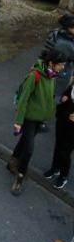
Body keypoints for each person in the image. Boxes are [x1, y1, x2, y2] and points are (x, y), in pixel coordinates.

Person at [10, 49, 66, 195]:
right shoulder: (34, 76)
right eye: (61, 64)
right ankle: (19, 178)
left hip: (39, 118)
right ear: (52, 63)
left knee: (25, 142)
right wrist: (18, 121)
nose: (63, 67)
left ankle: (12, 162)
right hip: (29, 118)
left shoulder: (52, 76)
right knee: (29, 149)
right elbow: (23, 99)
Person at [43, 79, 74, 190]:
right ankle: (55, 168)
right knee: (58, 145)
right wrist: (63, 99)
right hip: (62, 121)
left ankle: (63, 176)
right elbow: (63, 98)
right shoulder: (71, 85)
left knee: (65, 151)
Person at [44, 14, 74, 94]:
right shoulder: (67, 44)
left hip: (48, 66)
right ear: (69, 28)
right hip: (58, 72)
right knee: (49, 92)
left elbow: (45, 51)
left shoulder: (56, 33)